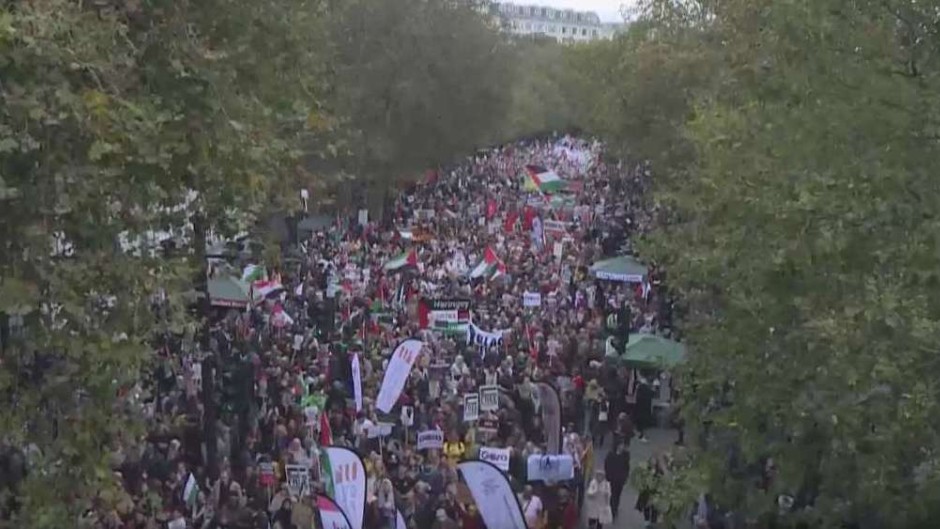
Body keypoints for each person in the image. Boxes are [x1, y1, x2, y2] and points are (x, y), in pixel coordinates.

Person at [604, 442, 630, 520]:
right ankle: (613, 510)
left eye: (622, 445)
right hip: (612, 479)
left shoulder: (625, 456)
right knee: (612, 495)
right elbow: (606, 465)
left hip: (620, 480)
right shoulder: (611, 455)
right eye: (620, 445)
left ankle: (614, 508)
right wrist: (608, 475)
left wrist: (625, 478)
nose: (622, 447)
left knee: (617, 495)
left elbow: (627, 468)